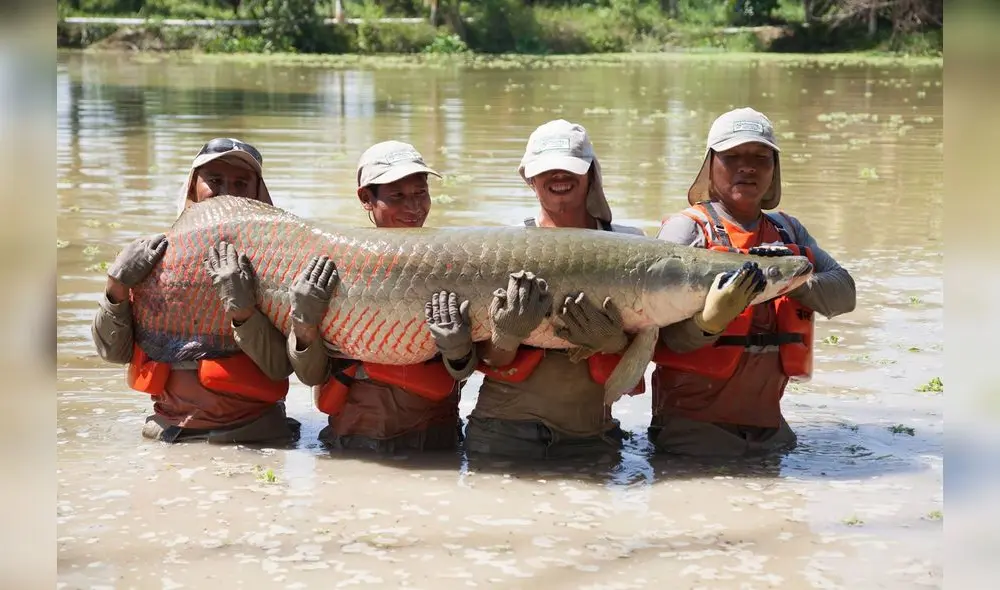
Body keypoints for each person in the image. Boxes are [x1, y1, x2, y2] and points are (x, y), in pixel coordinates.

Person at [650, 107, 857, 457]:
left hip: (772, 432)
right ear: (710, 166)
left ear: (774, 170)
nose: (747, 167)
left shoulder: (788, 231)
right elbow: (656, 335)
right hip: (691, 433)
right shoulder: (687, 230)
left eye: (761, 158)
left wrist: (785, 279)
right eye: (732, 157)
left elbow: (844, 295)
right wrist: (709, 322)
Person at [92, 137, 301, 444]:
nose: (227, 191)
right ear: (193, 187)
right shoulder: (155, 257)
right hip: (167, 433)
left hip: (256, 435)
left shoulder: (278, 260)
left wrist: (244, 311)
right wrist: (116, 287)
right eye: (214, 180)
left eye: (241, 183)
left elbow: (282, 366)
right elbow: (113, 352)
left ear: (258, 194)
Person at [463, 119, 646, 460]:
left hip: (593, 436)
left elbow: (648, 353)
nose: (559, 177)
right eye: (547, 170)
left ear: (591, 173)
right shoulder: (501, 250)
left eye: (570, 168)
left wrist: (615, 342)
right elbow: (484, 358)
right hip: (504, 432)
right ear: (529, 178)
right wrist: (506, 335)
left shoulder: (632, 247)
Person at [286, 140, 478, 453]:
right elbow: (310, 376)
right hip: (354, 443)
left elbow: (471, 368)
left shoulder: (450, 263)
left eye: (420, 193)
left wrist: (459, 352)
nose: (414, 208)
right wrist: (303, 322)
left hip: (436, 443)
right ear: (366, 198)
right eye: (398, 197)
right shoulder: (337, 264)